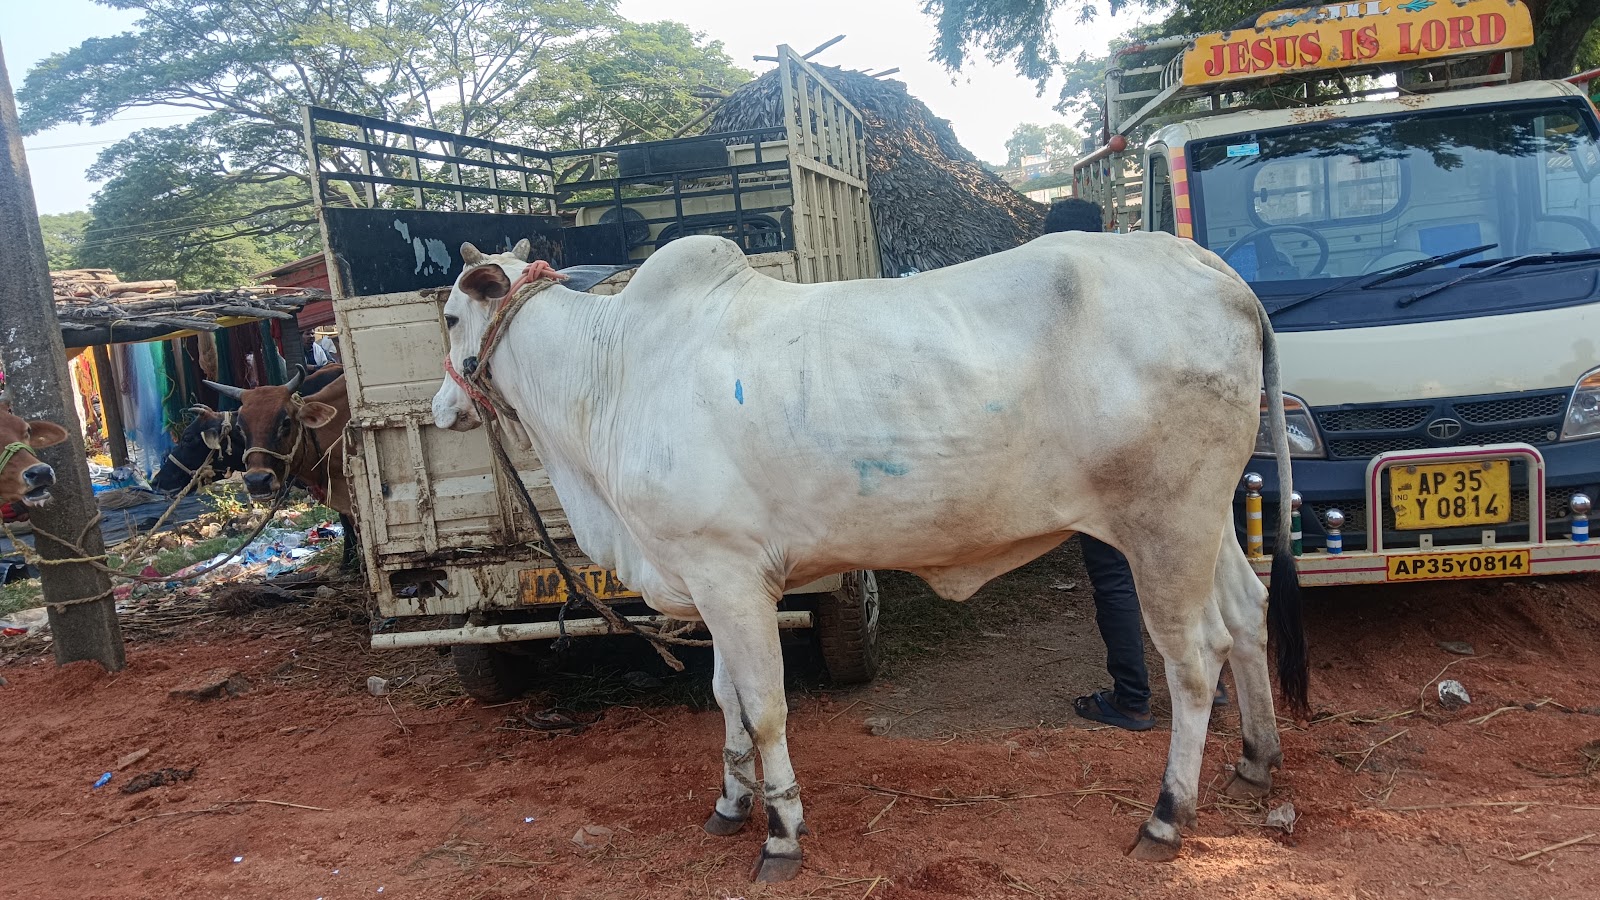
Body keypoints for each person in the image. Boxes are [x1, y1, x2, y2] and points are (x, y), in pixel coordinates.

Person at [1041, 198, 1227, 732]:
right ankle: (1209, 689)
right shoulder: (1145, 286)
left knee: (1115, 573)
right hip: (1170, 441)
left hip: (1104, 448)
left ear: (1047, 241)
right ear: (1104, 231)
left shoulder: (1052, 294)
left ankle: (1132, 697)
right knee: (1192, 560)